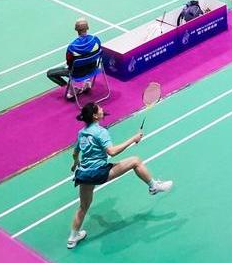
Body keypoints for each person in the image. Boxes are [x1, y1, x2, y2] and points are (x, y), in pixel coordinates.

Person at [67, 100, 173, 249]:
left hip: (83, 174)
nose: (102, 109)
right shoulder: (101, 132)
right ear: (95, 116)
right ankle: (153, 186)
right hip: (98, 172)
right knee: (136, 161)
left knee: (83, 207)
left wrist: (75, 163)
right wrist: (133, 139)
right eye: (99, 108)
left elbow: (75, 152)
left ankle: (72, 238)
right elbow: (112, 151)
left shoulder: (82, 133)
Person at [59, 19, 105, 100]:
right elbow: (99, 52)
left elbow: (69, 63)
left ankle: (72, 89)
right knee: (87, 59)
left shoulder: (72, 47)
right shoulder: (95, 40)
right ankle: (87, 82)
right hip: (93, 69)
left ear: (76, 29)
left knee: (50, 73)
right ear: (87, 28)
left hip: (77, 74)